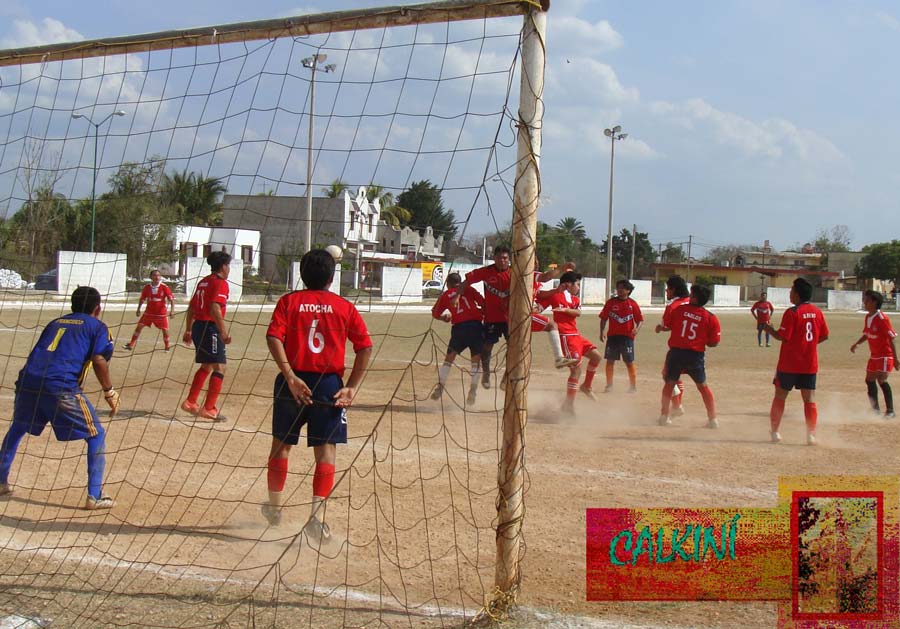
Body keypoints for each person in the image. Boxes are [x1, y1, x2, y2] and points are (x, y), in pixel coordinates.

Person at [261, 249, 372, 544]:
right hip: (328, 387)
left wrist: (290, 376)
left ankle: (274, 508)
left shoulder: (288, 302)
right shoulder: (344, 307)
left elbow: (273, 336)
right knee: (326, 452)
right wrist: (352, 386)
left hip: (292, 384)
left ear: (301, 274)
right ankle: (316, 519)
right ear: (332, 277)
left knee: (281, 446)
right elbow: (365, 347)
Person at [0, 287, 120, 509]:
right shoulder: (98, 327)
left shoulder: (55, 322)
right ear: (97, 308)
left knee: (18, 427)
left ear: (72, 306)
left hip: (28, 380)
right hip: (60, 384)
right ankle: (95, 496)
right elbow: (99, 359)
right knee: (96, 434)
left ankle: (0, 481)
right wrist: (109, 391)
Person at [764, 277, 829, 445]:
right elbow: (824, 335)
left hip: (789, 363)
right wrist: (808, 344)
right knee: (809, 399)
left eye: (791, 291)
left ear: (797, 294)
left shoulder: (792, 312)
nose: (790, 293)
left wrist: (769, 329)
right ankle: (811, 435)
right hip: (809, 363)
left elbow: (782, 336)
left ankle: (775, 432)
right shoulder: (817, 312)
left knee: (780, 396)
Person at [657, 285, 721, 428]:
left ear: (695, 298)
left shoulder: (679, 310)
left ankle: (664, 416)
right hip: (695, 355)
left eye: (691, 295)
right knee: (703, 387)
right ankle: (713, 419)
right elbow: (714, 343)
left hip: (676, 353)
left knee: (669, 384)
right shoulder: (710, 317)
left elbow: (668, 325)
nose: (689, 297)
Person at [181, 251, 231, 421]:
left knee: (207, 365)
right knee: (220, 367)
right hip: (210, 328)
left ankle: (190, 402)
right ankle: (209, 408)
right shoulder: (220, 283)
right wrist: (223, 332)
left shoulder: (203, 282)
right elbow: (215, 308)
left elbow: (191, 307)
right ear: (223, 266)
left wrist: (188, 329)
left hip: (198, 327)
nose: (229, 268)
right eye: (228, 265)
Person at [544, 271, 603, 414]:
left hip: (576, 335)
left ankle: (586, 386)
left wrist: (565, 309)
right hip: (565, 336)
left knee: (596, 356)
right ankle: (568, 405)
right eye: (577, 284)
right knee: (576, 370)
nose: (578, 287)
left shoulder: (575, 299)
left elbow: (578, 313)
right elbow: (541, 300)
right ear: (568, 284)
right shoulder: (555, 295)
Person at [454, 246, 511, 389]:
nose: (502, 261)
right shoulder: (486, 271)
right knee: (486, 347)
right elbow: (466, 282)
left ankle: (507, 377)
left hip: (510, 318)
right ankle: (486, 373)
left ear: (509, 259)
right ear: (494, 258)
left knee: (514, 349)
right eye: (499, 257)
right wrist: (457, 296)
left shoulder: (514, 273)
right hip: (492, 317)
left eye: (505, 258)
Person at [431, 272, 485, 406]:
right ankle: (473, 390)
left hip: (459, 328)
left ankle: (440, 387)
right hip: (476, 326)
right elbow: (483, 303)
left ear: (448, 284)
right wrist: (479, 312)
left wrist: (444, 318)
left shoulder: (446, 295)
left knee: (449, 358)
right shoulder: (469, 289)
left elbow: (435, 313)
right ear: (460, 282)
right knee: (475, 361)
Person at [850, 289, 897, 418]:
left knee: (881, 380)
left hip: (885, 354)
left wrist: (896, 359)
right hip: (874, 355)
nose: (864, 302)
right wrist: (857, 343)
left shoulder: (882, 318)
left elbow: (891, 338)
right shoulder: (868, 317)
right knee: (869, 380)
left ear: (874, 302)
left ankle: (890, 411)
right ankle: (875, 410)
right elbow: (867, 333)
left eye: (867, 300)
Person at [599, 279, 643, 392]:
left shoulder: (632, 304)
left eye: (622, 288)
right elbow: (603, 318)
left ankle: (633, 386)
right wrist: (602, 331)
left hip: (627, 338)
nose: (619, 290)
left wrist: (636, 329)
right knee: (610, 360)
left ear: (628, 290)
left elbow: (640, 320)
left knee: (629, 362)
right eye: (618, 288)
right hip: (613, 337)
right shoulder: (611, 303)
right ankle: (609, 385)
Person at [655, 276, 691, 416]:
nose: (666, 291)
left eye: (667, 288)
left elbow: (667, 326)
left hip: (677, 349)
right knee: (678, 378)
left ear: (673, 289)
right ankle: (677, 406)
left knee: (668, 376)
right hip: (695, 349)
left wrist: (660, 328)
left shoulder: (673, 306)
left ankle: (676, 406)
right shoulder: (691, 301)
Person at [123, 269, 175, 351]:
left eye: (158, 275)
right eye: (154, 275)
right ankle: (131, 345)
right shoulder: (147, 287)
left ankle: (167, 346)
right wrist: (138, 309)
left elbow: (171, 300)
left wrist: (172, 311)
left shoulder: (164, 287)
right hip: (149, 313)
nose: (157, 277)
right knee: (139, 327)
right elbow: (142, 299)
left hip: (161, 314)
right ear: (151, 277)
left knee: (165, 329)